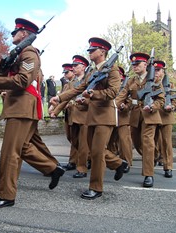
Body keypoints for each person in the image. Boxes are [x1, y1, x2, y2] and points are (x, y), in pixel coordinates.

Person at [0, 18, 65, 208]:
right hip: (20, 106)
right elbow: (0, 71)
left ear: (24, 34)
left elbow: (22, 81)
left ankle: (6, 196)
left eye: (15, 31)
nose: (12, 34)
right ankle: (52, 168)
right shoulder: (20, 54)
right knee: (22, 148)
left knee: (10, 152)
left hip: (22, 107)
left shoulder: (30, 54)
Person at [50, 37, 128, 199]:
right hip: (92, 116)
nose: (90, 53)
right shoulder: (93, 72)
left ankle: (96, 187)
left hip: (105, 116)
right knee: (93, 150)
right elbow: (79, 88)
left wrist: (94, 94)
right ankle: (118, 163)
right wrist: (60, 98)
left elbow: (113, 92)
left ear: (102, 52)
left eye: (93, 50)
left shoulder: (112, 70)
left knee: (98, 152)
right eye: (90, 50)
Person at [117, 52, 165, 187]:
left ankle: (148, 174)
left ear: (146, 65)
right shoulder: (131, 81)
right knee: (138, 143)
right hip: (135, 116)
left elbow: (161, 99)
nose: (135, 67)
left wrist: (153, 106)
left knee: (147, 143)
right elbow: (122, 95)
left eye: (137, 64)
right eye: (133, 65)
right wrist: (114, 104)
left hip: (150, 116)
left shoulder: (154, 80)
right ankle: (154, 156)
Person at [51, 57, 90, 179]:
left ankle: (82, 168)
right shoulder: (72, 83)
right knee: (75, 141)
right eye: (73, 66)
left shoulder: (89, 80)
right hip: (73, 115)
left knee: (83, 144)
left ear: (83, 67)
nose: (73, 68)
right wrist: (56, 111)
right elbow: (66, 98)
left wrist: (85, 101)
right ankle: (80, 160)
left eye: (76, 65)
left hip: (85, 115)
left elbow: (93, 96)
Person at [50, 63, 77, 171]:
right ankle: (82, 158)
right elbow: (61, 98)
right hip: (68, 113)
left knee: (76, 139)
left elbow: (66, 99)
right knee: (71, 137)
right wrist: (54, 107)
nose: (65, 74)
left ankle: (75, 161)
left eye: (67, 72)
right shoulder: (67, 84)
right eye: (64, 72)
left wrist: (55, 111)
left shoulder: (77, 83)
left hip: (77, 113)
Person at [154, 60, 176, 177]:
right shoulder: (150, 83)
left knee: (167, 142)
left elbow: (175, 101)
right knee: (151, 141)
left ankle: (168, 166)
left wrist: (172, 106)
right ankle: (155, 156)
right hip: (153, 115)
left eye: (158, 70)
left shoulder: (170, 84)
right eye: (154, 70)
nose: (156, 72)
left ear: (163, 71)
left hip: (166, 116)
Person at [112, 66, 133, 172]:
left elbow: (130, 100)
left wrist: (125, 106)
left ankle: (126, 162)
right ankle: (112, 161)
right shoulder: (110, 85)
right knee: (110, 141)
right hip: (110, 116)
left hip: (122, 116)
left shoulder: (125, 86)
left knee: (124, 141)